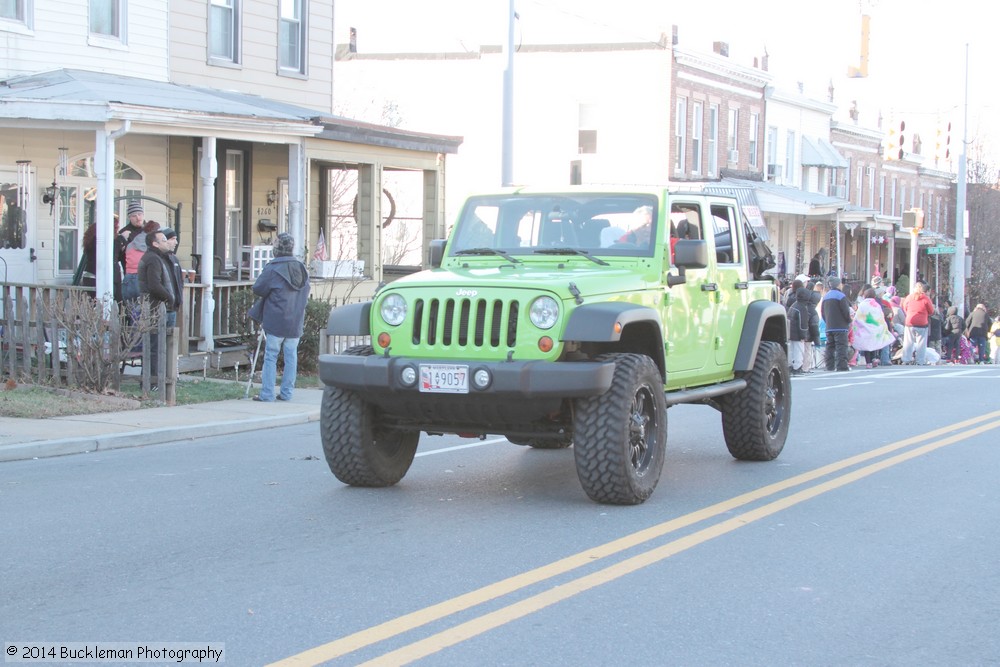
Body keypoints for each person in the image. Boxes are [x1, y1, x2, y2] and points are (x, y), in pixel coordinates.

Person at [251, 232, 311, 402]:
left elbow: (258, 288)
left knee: (271, 355)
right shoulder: (301, 268)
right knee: (291, 357)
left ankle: (267, 393)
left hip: (276, 318)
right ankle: (286, 393)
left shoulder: (273, 268)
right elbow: (306, 290)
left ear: (277, 247)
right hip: (295, 319)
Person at [138, 229, 184, 381]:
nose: (167, 242)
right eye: (163, 240)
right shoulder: (152, 258)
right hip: (156, 308)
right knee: (155, 347)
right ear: (155, 243)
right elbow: (154, 285)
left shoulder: (165, 258)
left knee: (165, 346)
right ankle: (152, 380)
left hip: (168, 308)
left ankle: (165, 378)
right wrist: (169, 297)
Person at [850, 288, 895, 368]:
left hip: (864, 327)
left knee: (867, 345)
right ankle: (874, 358)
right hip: (875, 327)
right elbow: (880, 316)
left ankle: (868, 362)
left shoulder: (863, 304)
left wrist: (855, 325)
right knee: (874, 343)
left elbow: (858, 316)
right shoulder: (876, 305)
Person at [821, 276, 852, 371]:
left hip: (829, 326)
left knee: (830, 346)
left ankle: (829, 365)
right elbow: (846, 311)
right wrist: (848, 320)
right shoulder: (841, 296)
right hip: (841, 326)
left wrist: (827, 322)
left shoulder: (826, 296)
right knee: (841, 347)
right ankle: (841, 366)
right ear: (838, 284)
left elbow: (823, 312)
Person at [117, 200, 146, 301]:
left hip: (149, 275)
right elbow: (119, 256)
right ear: (129, 217)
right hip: (131, 276)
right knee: (132, 309)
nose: (138, 218)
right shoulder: (124, 233)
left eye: (139, 214)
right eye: (134, 215)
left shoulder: (150, 231)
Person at [900, 281, 934, 365]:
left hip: (910, 321)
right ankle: (920, 361)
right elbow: (931, 310)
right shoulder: (925, 298)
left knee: (908, 342)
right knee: (921, 343)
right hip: (922, 322)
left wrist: (910, 313)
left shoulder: (909, 297)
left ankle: (906, 359)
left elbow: (904, 307)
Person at [787, 286, 812, 374]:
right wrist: (803, 335)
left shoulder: (794, 305)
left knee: (792, 350)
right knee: (799, 351)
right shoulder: (802, 308)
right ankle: (797, 368)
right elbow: (803, 324)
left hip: (790, 332)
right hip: (798, 334)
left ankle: (790, 366)